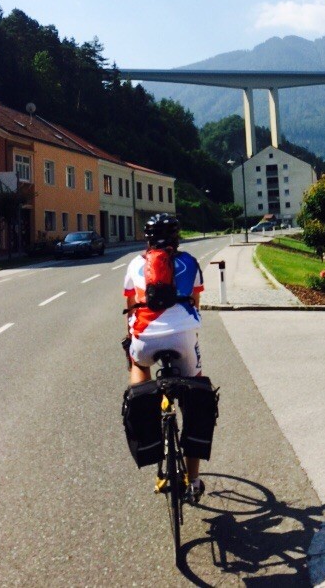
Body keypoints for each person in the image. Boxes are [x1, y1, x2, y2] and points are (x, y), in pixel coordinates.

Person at [123, 213, 205, 502]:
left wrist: (132, 341)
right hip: (183, 337)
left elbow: (131, 308)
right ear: (177, 237)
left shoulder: (134, 264)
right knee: (195, 399)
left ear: (147, 239)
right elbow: (196, 304)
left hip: (145, 337)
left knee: (138, 364)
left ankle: (144, 400)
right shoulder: (191, 262)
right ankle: (193, 480)